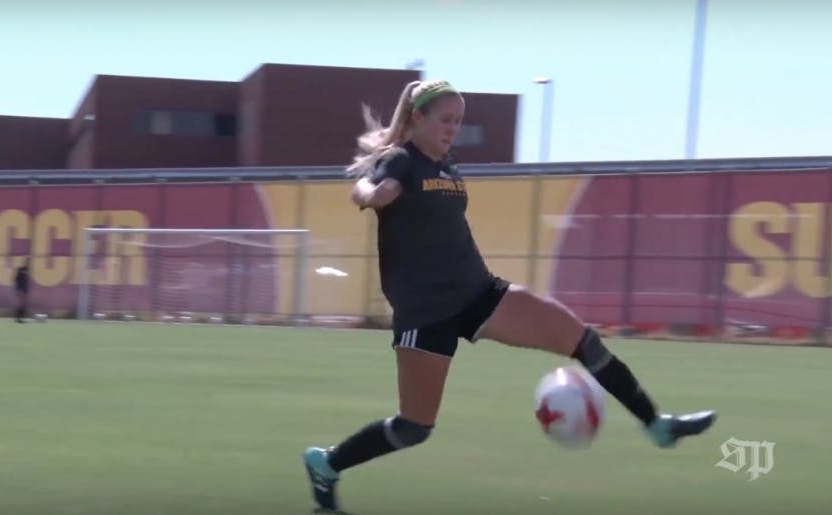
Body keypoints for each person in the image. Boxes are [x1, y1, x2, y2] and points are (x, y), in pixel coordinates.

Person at [302, 79, 716, 512]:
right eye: (445, 120)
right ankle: (327, 463)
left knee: (583, 341)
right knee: (415, 427)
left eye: (458, 122)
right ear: (417, 118)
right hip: (426, 313)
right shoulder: (400, 161)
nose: (452, 129)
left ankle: (657, 425)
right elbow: (364, 190)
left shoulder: (448, 164)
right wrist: (373, 193)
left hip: (480, 293)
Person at [13, 258, 30, 323]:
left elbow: (25, 283)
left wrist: (26, 290)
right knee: (20, 304)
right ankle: (18, 318)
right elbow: (17, 280)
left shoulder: (25, 272)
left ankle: (20, 318)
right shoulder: (21, 272)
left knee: (22, 304)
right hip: (20, 290)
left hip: (22, 290)